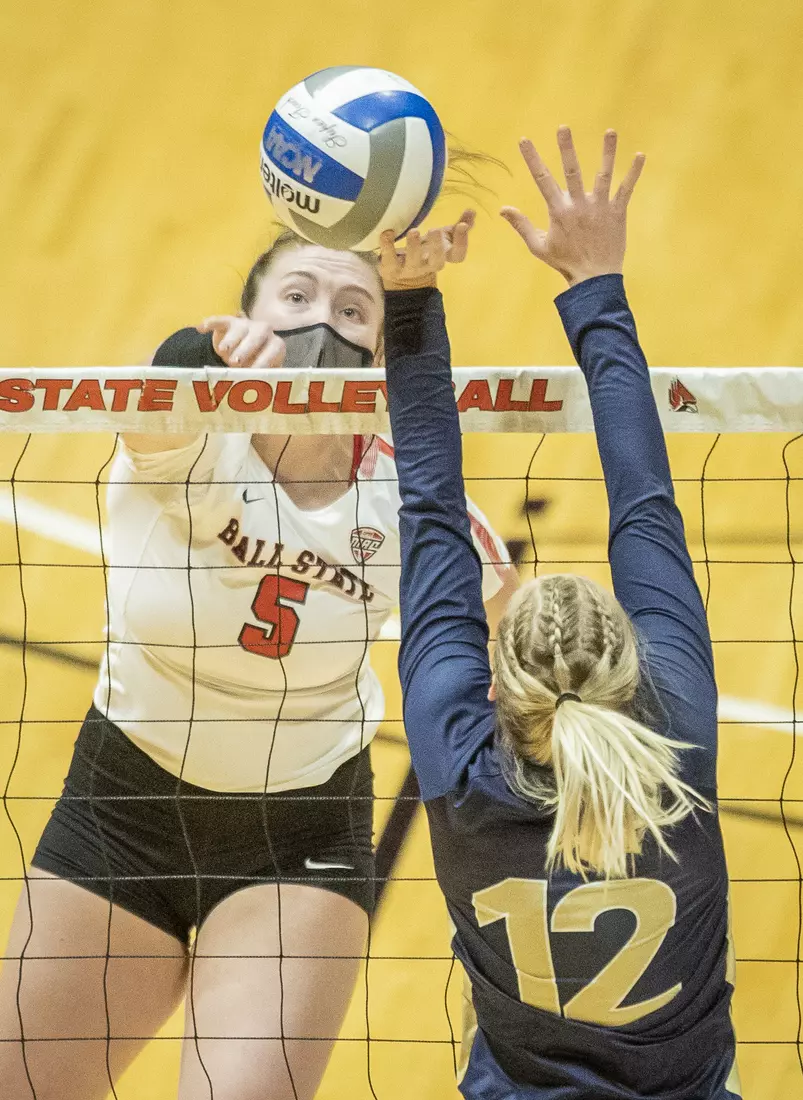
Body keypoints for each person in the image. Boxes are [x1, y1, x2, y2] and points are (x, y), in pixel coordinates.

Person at [0, 225, 517, 1100]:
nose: (323, 321)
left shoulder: (409, 499)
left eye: (353, 309)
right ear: (249, 320)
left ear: (380, 350)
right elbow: (155, 393)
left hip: (298, 840)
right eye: (296, 298)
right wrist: (199, 351)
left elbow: (512, 609)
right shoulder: (193, 438)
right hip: (123, 814)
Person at [381, 128, 740, 1098]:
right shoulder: (675, 744)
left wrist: (409, 301)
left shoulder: (463, 761)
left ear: (495, 681)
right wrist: (594, 283)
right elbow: (641, 500)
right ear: (632, 658)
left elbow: (424, 501)